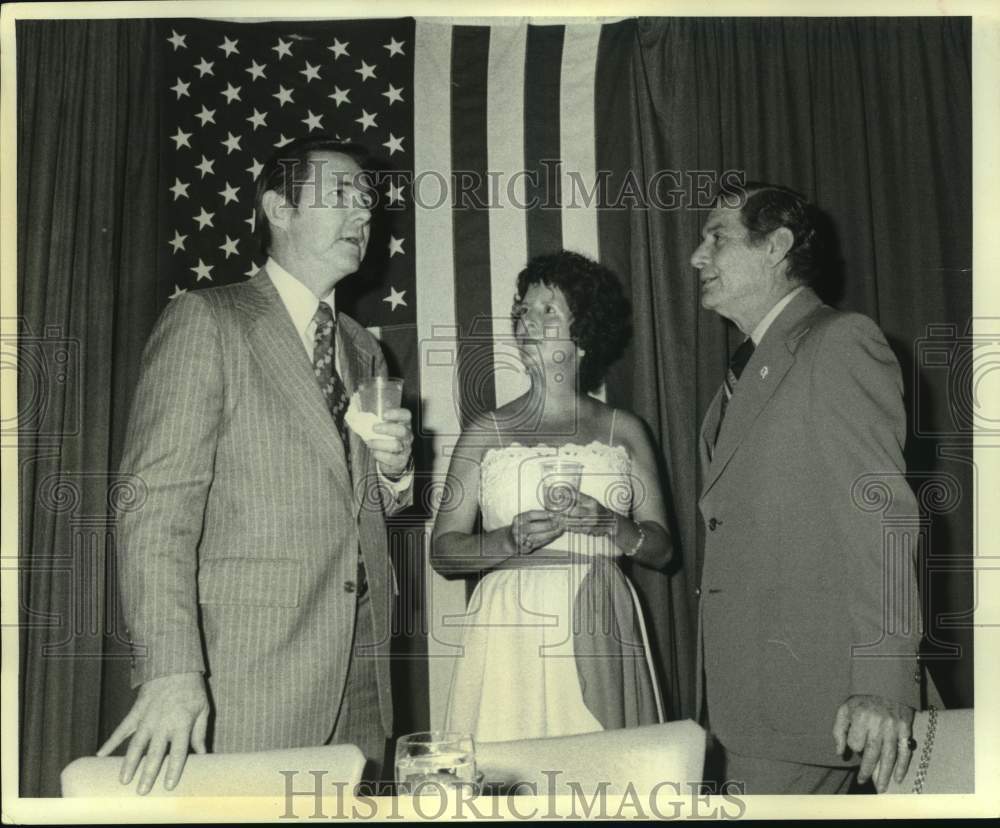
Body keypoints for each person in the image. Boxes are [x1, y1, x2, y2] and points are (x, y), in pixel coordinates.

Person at [98, 137, 414, 792]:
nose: (364, 214)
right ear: (279, 208)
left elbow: (358, 507)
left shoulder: (364, 349)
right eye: (342, 196)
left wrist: (394, 474)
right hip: (243, 676)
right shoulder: (208, 321)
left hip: (362, 677)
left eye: (368, 201)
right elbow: (152, 511)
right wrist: (169, 671)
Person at [691, 183, 922, 794]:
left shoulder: (837, 343)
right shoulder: (738, 382)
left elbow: (882, 517)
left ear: (777, 247)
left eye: (716, 237)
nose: (696, 257)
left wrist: (884, 681)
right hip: (758, 704)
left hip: (821, 702)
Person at [431, 251, 671, 742]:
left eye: (548, 310)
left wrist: (612, 526)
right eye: (523, 310)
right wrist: (505, 541)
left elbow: (665, 549)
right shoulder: (484, 432)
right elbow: (443, 550)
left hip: (600, 614)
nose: (527, 321)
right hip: (507, 627)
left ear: (583, 334)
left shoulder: (624, 429)